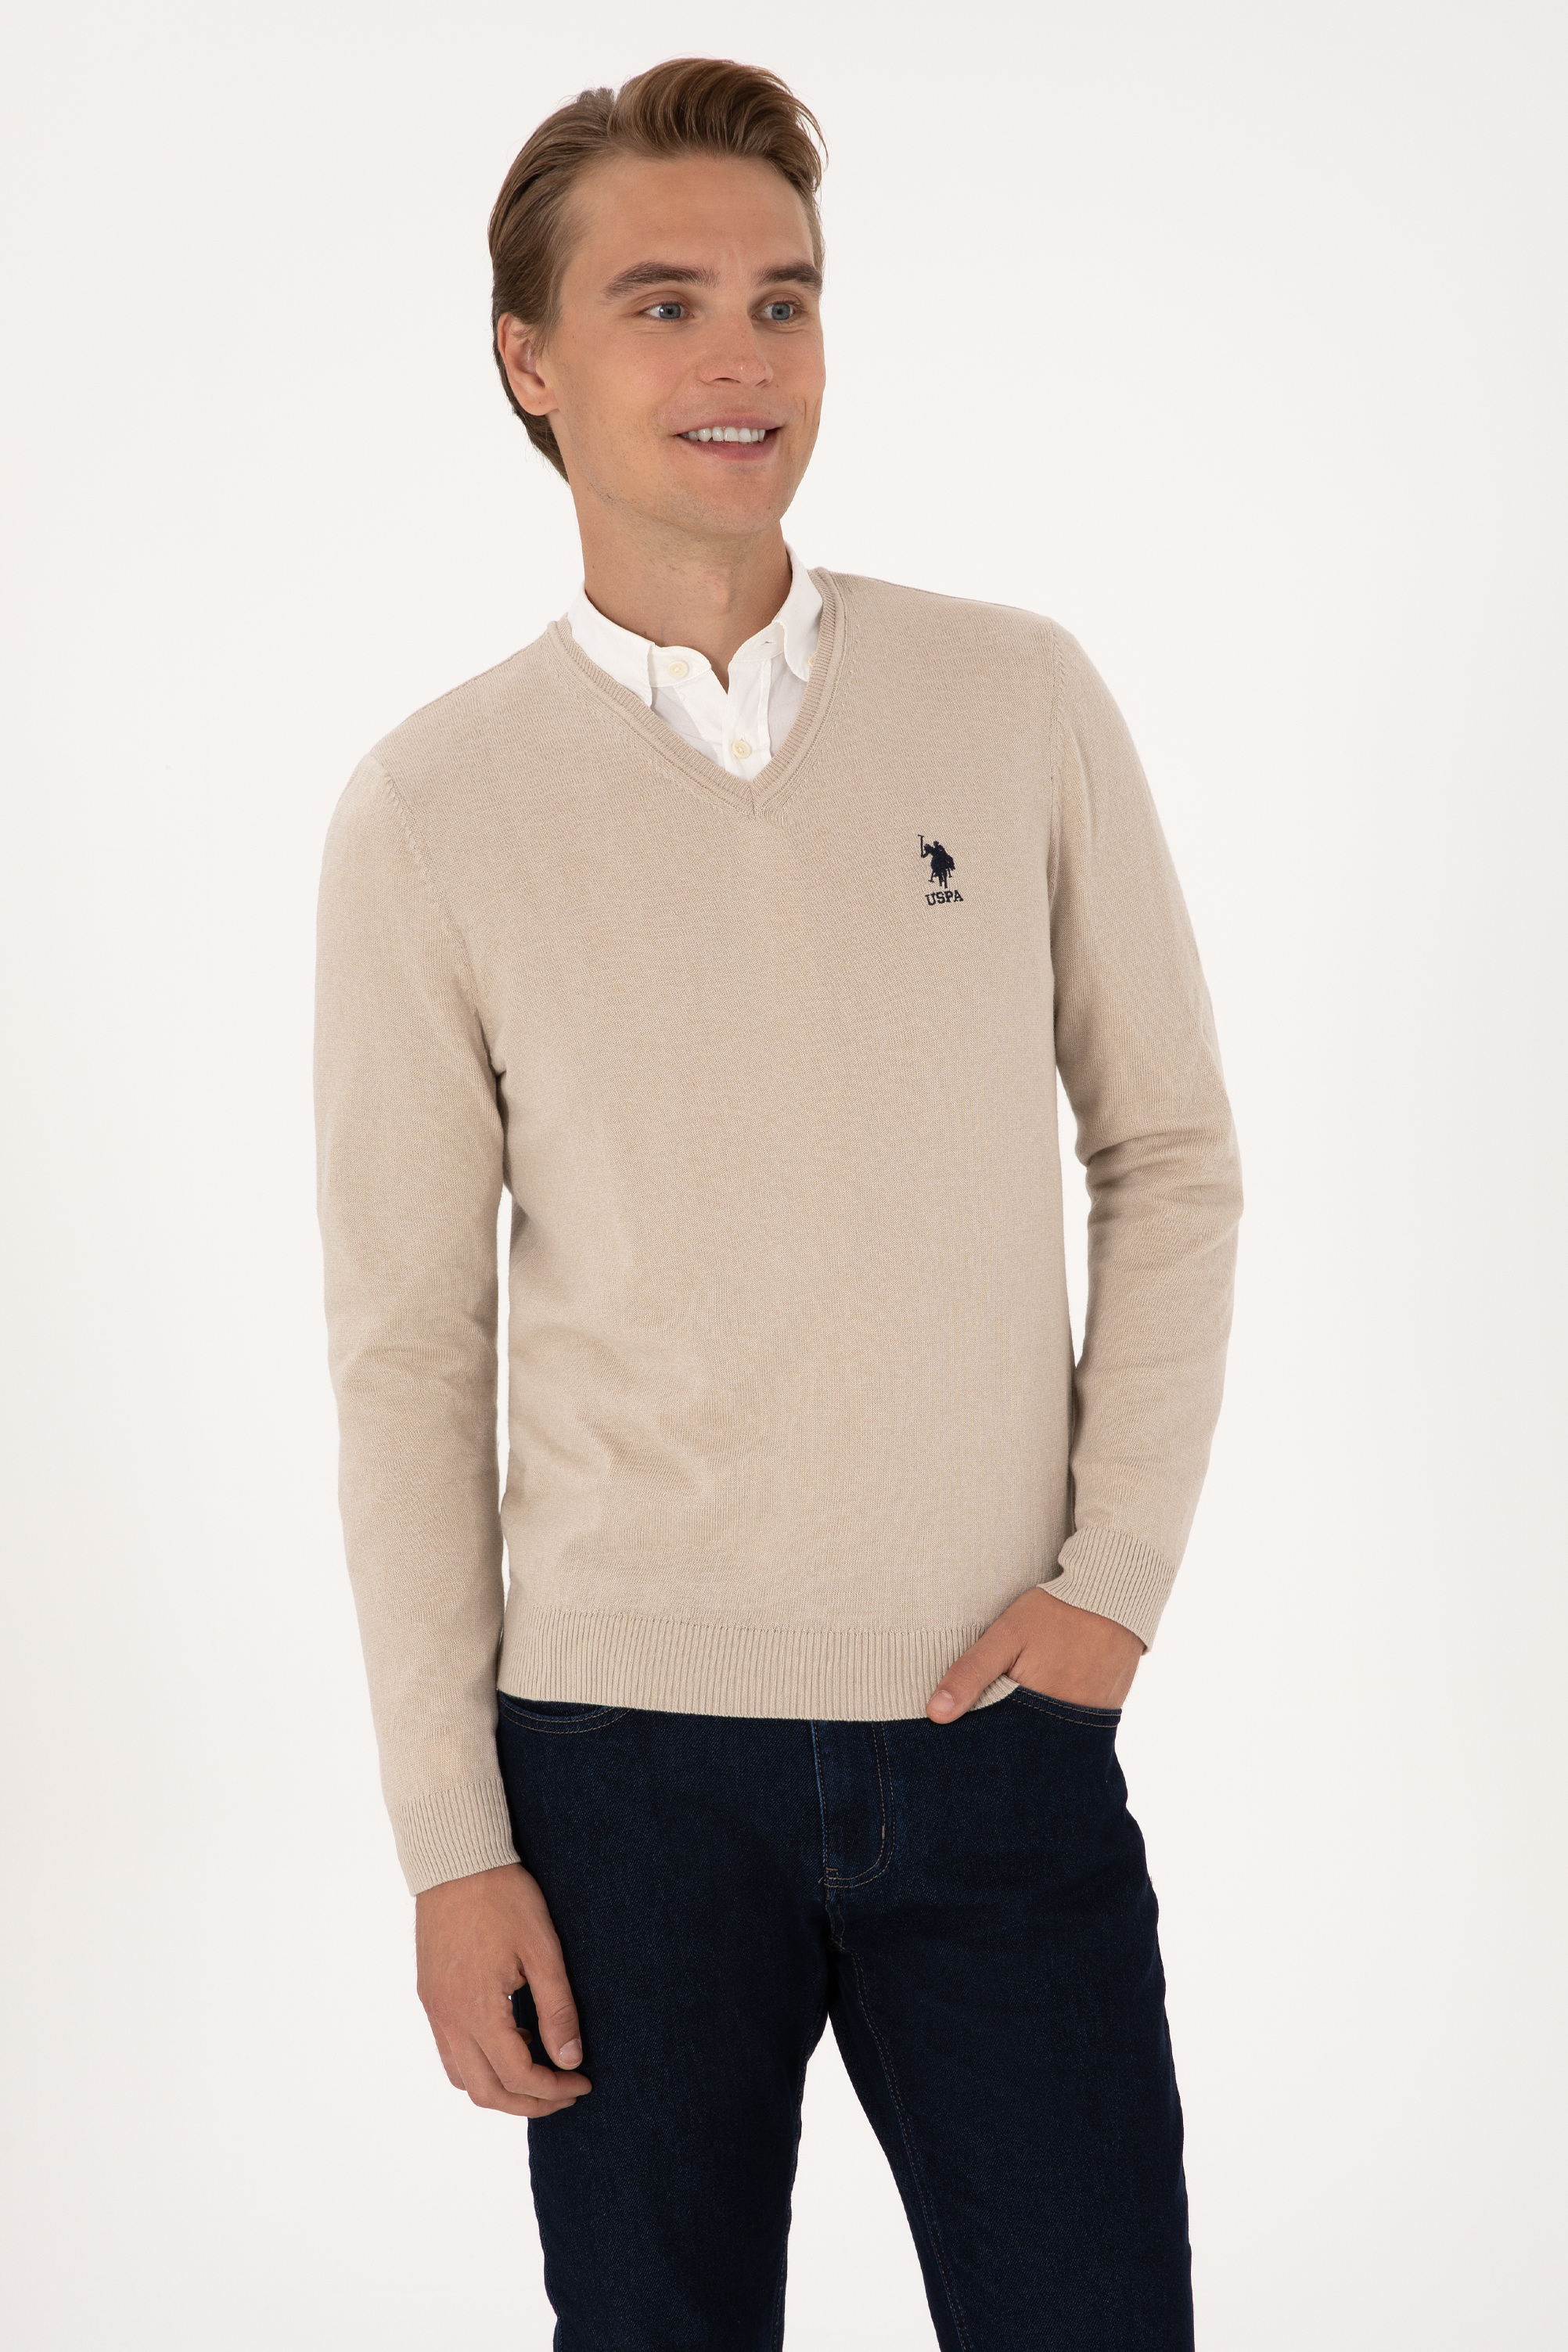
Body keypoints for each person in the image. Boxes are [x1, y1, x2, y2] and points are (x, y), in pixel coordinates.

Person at [314, 54, 1243, 2351]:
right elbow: (412, 1349)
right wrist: (453, 1843)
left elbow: (1168, 1154)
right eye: (662, 303)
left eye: (783, 300)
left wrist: (1110, 1590)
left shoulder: (1013, 700)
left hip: (995, 1737)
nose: (740, 358)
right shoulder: (431, 809)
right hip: (617, 1780)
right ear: (530, 361)